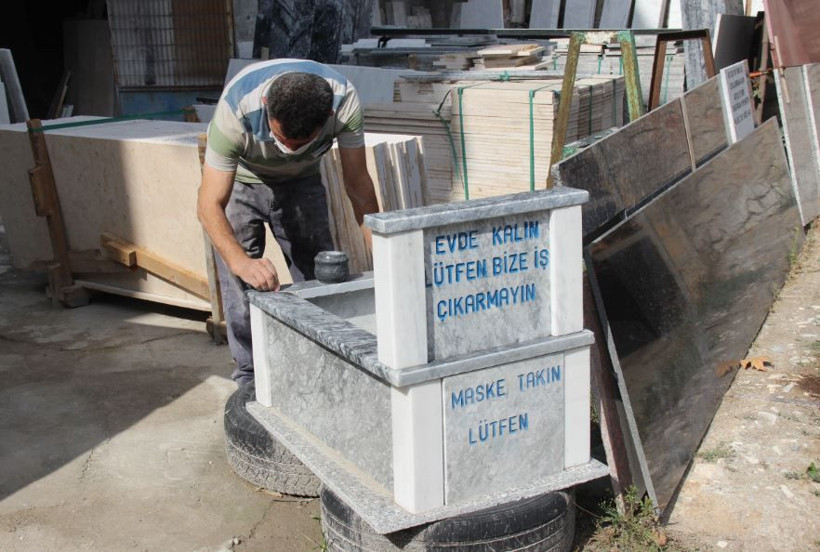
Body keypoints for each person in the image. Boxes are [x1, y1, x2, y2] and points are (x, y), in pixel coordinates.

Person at [198, 59, 379, 386]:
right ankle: (250, 378)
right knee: (242, 287)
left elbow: (358, 184)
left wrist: (382, 252)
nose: (289, 149)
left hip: (302, 182)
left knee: (321, 276)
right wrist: (241, 261)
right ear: (267, 106)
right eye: (283, 138)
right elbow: (209, 204)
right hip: (241, 180)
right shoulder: (236, 110)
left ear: (326, 119)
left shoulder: (343, 103)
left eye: (300, 143)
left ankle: (325, 364)